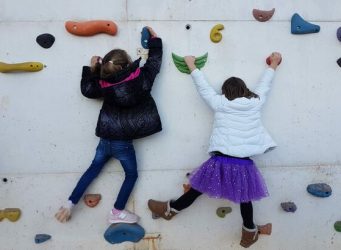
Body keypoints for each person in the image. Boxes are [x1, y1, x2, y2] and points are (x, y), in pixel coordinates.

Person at [148, 52, 282, 248]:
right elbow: (265, 85)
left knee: (197, 189)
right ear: (244, 89)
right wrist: (274, 65)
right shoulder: (256, 102)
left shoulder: (220, 103)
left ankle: (171, 210)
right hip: (243, 164)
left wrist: (191, 65)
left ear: (225, 91)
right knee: (245, 199)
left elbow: (203, 88)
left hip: (220, 161)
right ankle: (249, 233)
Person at [55, 27, 163, 224]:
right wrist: (154, 41)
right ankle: (116, 212)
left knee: (92, 170)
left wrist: (91, 68)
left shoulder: (103, 86)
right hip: (123, 144)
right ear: (128, 64)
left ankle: (69, 203)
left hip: (105, 141)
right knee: (131, 175)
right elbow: (154, 63)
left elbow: (87, 89)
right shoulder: (143, 80)